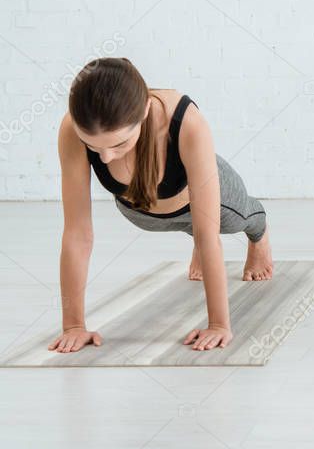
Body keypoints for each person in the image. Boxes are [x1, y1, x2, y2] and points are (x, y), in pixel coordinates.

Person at [49, 57, 273, 353]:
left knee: (234, 219)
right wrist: (74, 326)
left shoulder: (184, 121)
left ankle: (260, 235)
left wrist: (218, 324)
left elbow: (208, 232)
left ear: (143, 112)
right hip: (142, 214)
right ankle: (194, 239)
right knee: (195, 231)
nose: (105, 159)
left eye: (119, 145)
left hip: (201, 202)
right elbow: (77, 233)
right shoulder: (73, 128)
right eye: (94, 147)